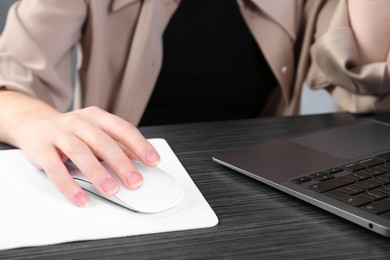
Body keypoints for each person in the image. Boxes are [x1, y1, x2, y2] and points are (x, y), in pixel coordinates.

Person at [0, 0, 388, 207]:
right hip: (126, 176)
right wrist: (36, 121)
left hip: (262, 185)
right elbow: (9, 76)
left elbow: (368, 88)